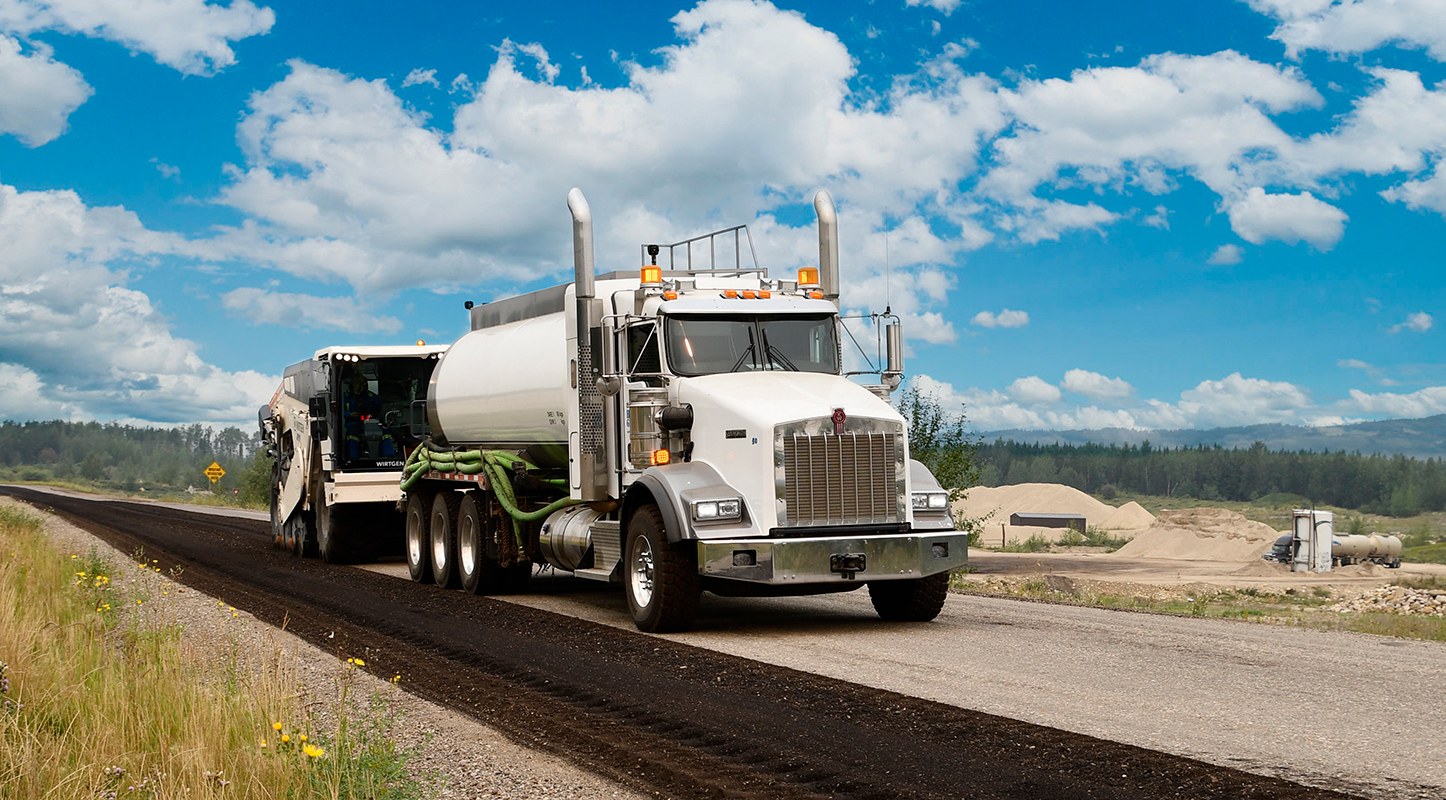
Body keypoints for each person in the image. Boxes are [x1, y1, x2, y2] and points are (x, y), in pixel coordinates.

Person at [343, 371, 395, 459]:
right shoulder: (345, 397)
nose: (360, 385)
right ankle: (353, 458)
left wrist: (377, 415)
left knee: (385, 432)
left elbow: (381, 410)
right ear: (352, 384)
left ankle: (389, 457)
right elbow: (338, 412)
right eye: (357, 382)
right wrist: (349, 414)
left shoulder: (372, 397)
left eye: (362, 383)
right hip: (354, 423)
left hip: (372, 422)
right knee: (352, 433)